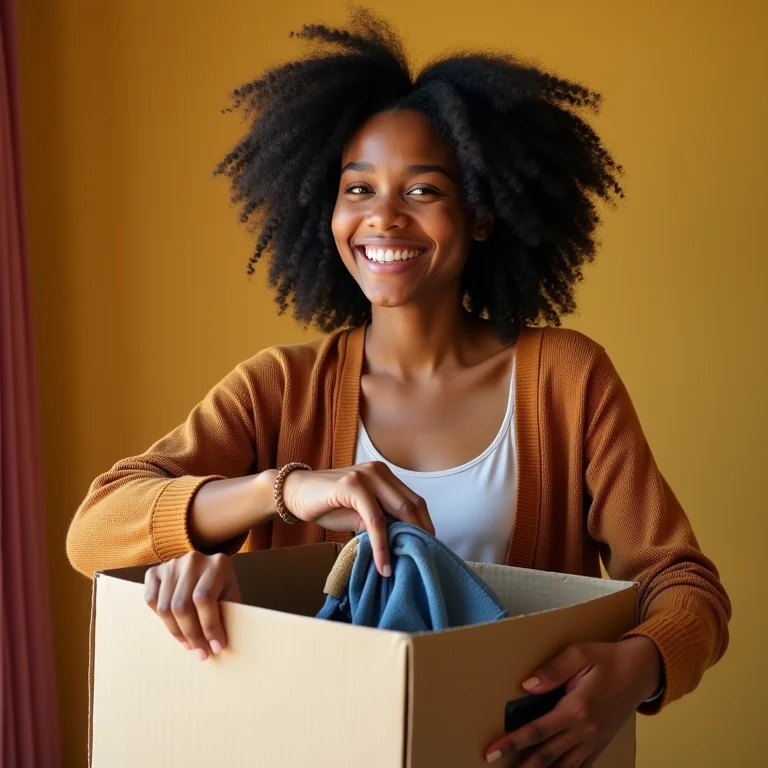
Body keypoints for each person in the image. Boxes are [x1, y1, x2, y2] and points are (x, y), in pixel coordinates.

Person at [66, 9, 730, 766]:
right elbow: (93, 531)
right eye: (358, 188)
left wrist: (635, 667)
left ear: (481, 214)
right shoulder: (279, 387)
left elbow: (685, 585)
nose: (382, 215)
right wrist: (286, 491)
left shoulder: (567, 379)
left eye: (422, 190)